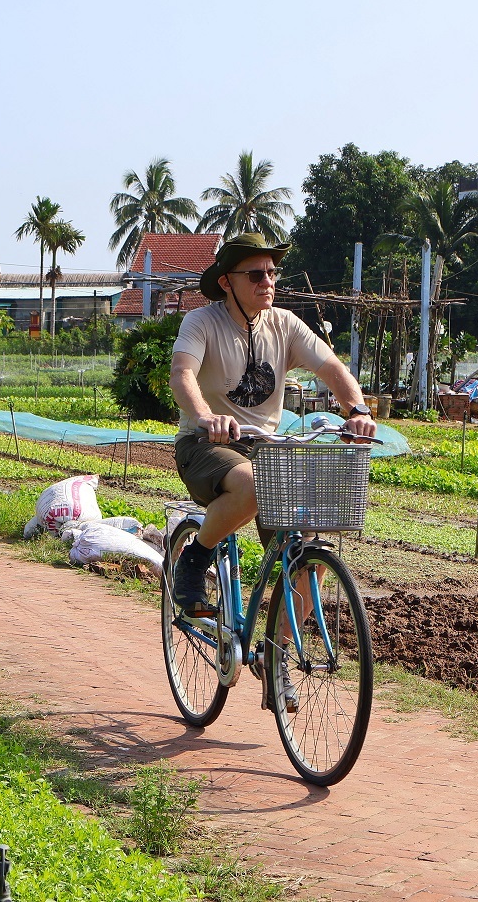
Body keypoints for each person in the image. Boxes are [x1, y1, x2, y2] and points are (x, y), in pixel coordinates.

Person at [168, 233, 377, 710]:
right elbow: (182, 375)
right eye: (256, 274)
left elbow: (331, 368)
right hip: (206, 443)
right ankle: (195, 560)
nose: (268, 282)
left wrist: (357, 409)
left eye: (272, 273)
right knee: (254, 486)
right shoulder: (201, 322)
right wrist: (205, 416)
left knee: (308, 552)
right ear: (227, 282)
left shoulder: (284, 324)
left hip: (267, 447)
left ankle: (276, 654)